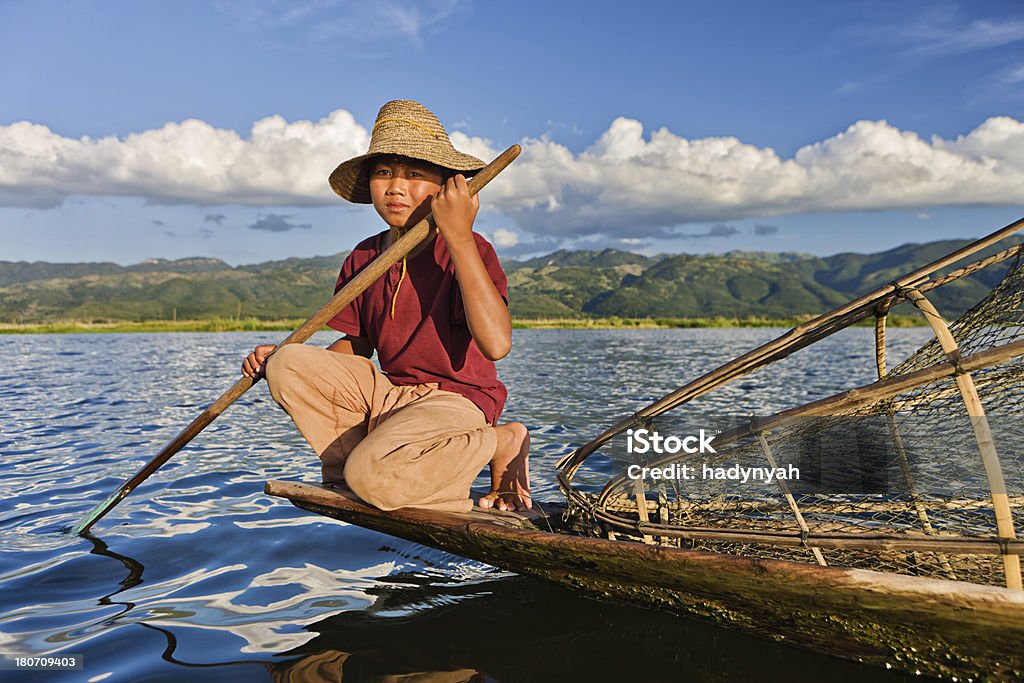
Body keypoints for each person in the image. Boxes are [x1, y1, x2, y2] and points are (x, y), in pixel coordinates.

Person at [241, 100, 531, 513]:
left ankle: (502, 441)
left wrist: (459, 235)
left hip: (455, 401)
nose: (396, 187)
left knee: (371, 477)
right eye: (384, 173)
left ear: (448, 187)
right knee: (288, 363)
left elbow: (496, 344)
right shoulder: (364, 259)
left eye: (414, 174)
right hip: (391, 394)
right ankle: (386, 473)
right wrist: (287, 362)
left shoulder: (467, 249)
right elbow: (357, 347)